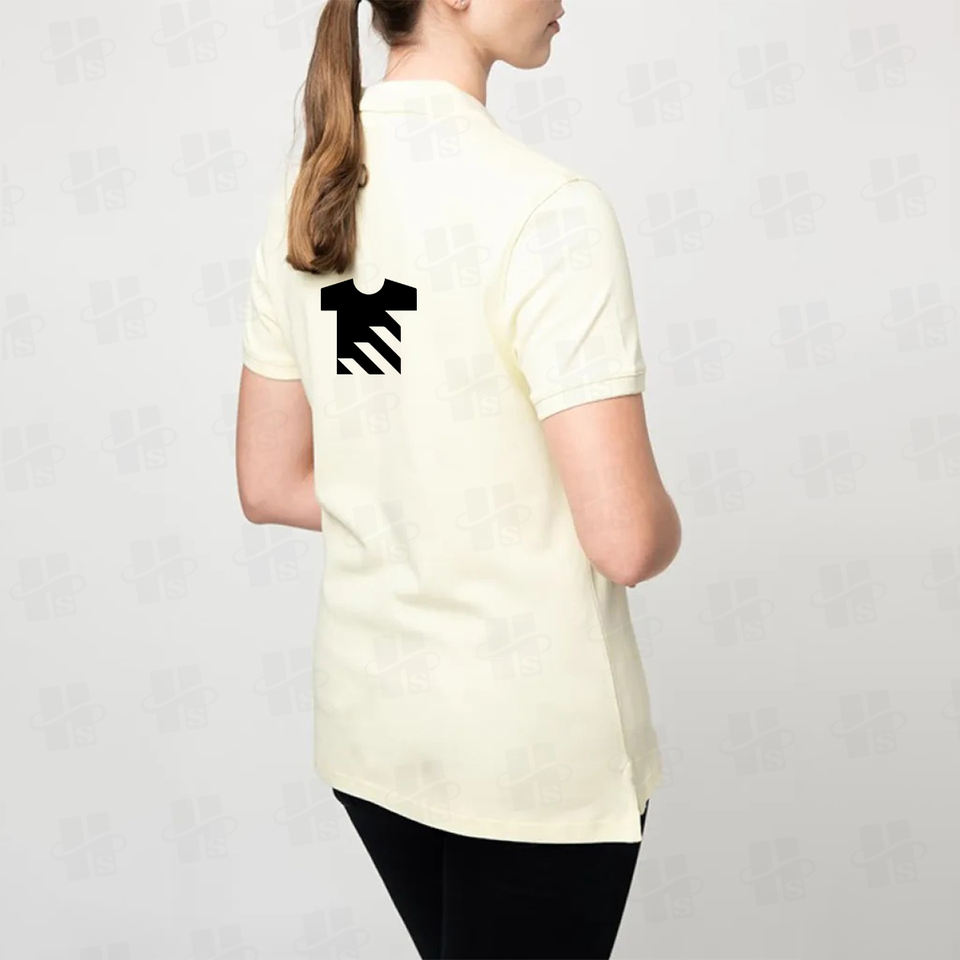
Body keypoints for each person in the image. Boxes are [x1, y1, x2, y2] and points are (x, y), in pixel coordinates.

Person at [235, 0, 682, 956]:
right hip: (525, 752)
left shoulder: (305, 200)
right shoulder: (546, 208)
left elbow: (269, 482)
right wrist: (662, 521)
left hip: (372, 728)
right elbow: (628, 541)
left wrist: (421, 502)